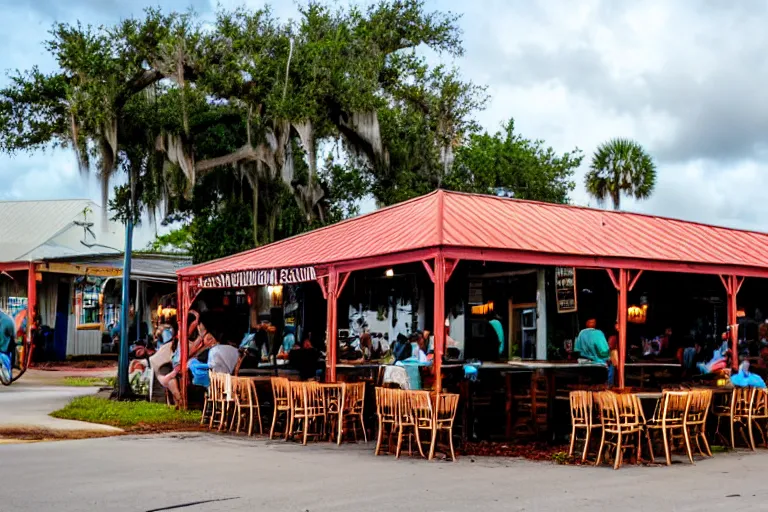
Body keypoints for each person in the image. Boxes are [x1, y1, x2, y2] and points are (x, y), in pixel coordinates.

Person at [574, 319, 613, 384]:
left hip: (582, 363)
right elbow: (603, 351)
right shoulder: (598, 333)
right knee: (611, 367)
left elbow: (577, 349)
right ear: (586, 323)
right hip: (597, 364)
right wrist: (608, 358)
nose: (593, 323)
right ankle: (609, 387)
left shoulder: (581, 333)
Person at [0, 311, 17, 384]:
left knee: (5, 361)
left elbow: (12, 336)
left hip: (5, 348)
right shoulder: (7, 320)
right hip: (5, 347)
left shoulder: (7, 321)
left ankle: (6, 377)